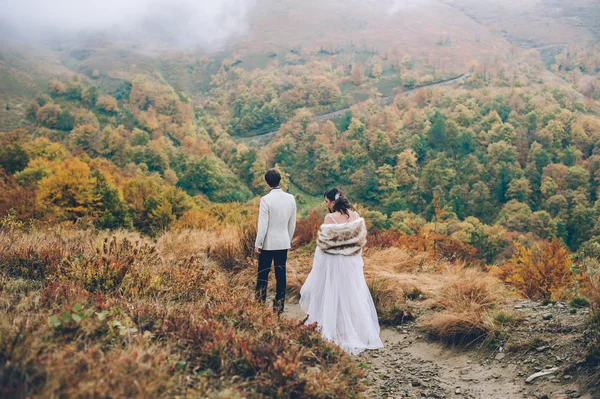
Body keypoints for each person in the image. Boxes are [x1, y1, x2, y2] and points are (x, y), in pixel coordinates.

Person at [299, 187, 383, 355]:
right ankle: (352, 328)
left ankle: (334, 327)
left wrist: (320, 264)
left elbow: (325, 243)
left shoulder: (330, 218)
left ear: (332, 202)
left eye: (327, 202)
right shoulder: (355, 215)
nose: (327, 205)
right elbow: (359, 241)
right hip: (351, 260)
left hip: (335, 261)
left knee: (333, 291)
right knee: (351, 293)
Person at [254, 168, 297, 314]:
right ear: (280, 180)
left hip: (267, 243)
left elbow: (263, 225)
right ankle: (279, 307)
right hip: (283, 242)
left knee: (263, 274)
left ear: (267, 182)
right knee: (281, 274)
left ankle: (259, 305)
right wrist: (288, 239)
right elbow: (292, 224)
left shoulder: (265, 200)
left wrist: (258, 244)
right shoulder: (290, 198)